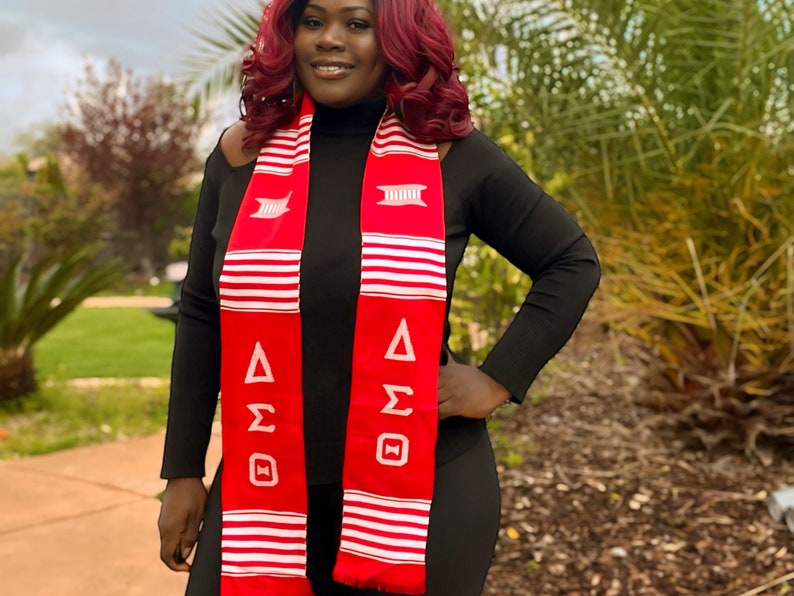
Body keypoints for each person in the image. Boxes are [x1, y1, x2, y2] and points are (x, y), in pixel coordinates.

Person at [158, 0, 600, 594]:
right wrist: (183, 469)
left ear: (395, 38)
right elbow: (201, 312)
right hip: (263, 485)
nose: (329, 40)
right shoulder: (243, 154)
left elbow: (570, 262)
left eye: (356, 23)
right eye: (312, 22)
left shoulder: (450, 153)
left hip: (422, 487)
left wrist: (497, 379)